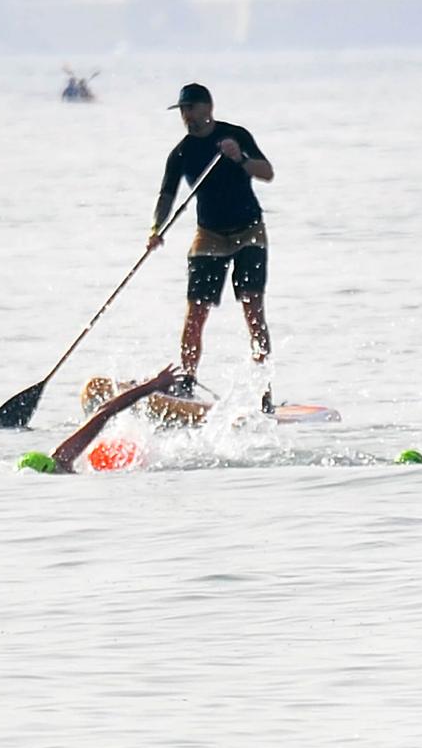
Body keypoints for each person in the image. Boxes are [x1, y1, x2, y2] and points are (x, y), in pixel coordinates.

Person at [147, 82, 275, 411]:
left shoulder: (236, 135)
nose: (187, 116)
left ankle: (265, 392)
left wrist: (240, 157)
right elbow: (166, 196)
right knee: (195, 314)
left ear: (208, 108)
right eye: (183, 111)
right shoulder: (181, 152)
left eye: (191, 109)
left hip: (249, 232)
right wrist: (156, 229)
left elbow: (267, 173)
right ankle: (187, 382)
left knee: (253, 311)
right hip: (210, 235)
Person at [19, 366, 182, 473]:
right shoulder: (62, 459)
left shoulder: (62, 457)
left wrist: (152, 385)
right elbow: (106, 410)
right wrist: (153, 385)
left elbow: (105, 411)